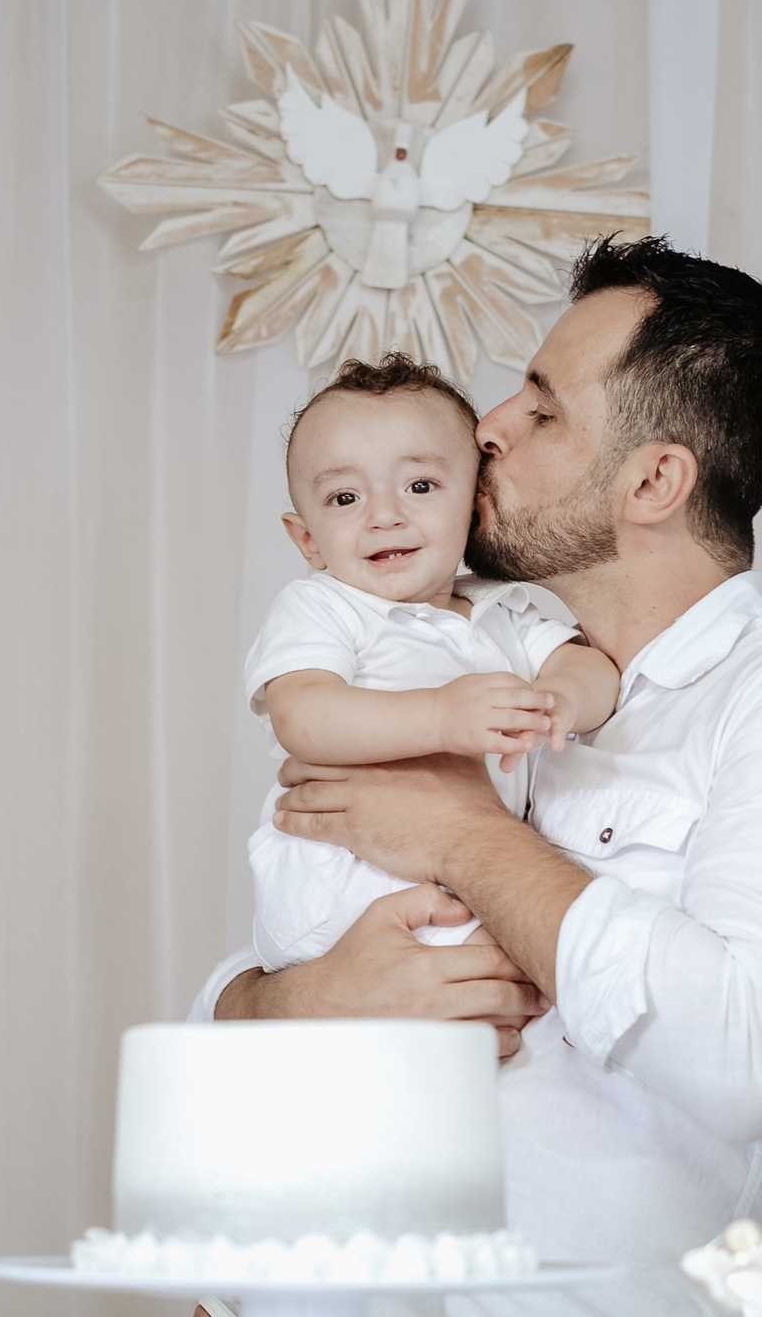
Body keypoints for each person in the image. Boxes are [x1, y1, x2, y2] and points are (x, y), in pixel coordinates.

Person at [189, 236, 762, 1317]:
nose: (488, 426)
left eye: (541, 406)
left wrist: (471, 846)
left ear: (654, 477)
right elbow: (282, 967)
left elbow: (751, 1054)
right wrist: (294, 1002)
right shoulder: (442, 659)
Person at [245, 351, 619, 970]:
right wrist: (441, 717)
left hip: (463, 885)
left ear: (472, 508)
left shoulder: (506, 609)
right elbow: (303, 717)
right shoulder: (324, 607)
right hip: (339, 885)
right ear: (307, 539)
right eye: (344, 497)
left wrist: (558, 700)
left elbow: (593, 668)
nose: (384, 515)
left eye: (420, 487)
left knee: (518, 980)